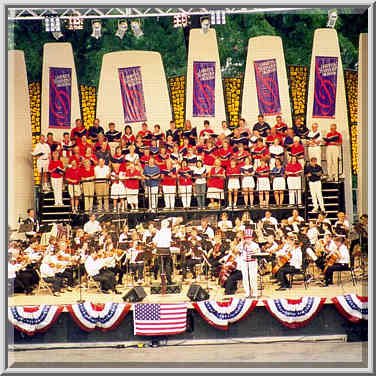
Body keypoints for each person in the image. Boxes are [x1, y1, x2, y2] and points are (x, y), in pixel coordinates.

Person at [237, 228, 260, 298]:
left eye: (249, 238)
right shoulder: (242, 244)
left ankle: (255, 292)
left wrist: (251, 249)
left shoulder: (255, 245)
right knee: (245, 278)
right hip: (244, 262)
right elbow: (238, 250)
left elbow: (257, 253)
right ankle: (247, 292)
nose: (247, 240)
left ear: (252, 238)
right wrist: (241, 243)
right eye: (246, 238)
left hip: (252, 262)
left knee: (253, 277)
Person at [153, 219, 173, 285]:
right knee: (167, 265)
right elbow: (170, 241)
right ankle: (169, 281)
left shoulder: (159, 232)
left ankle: (163, 281)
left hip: (160, 249)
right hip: (167, 249)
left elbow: (154, 242)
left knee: (161, 266)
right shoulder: (169, 231)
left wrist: (156, 247)